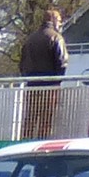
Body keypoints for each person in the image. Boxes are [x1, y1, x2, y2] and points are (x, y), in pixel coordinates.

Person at [19, 8, 70, 139]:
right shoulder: (56, 37)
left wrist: (28, 78)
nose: (60, 23)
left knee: (30, 118)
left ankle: (24, 142)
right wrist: (57, 81)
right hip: (50, 86)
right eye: (59, 20)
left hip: (32, 86)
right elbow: (63, 62)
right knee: (46, 119)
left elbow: (22, 63)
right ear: (53, 20)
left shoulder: (30, 39)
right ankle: (42, 143)